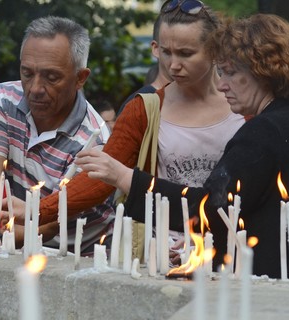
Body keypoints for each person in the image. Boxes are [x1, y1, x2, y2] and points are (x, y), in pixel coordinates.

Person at [78, 14, 289, 283]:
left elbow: (211, 208)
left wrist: (123, 177)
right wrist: (202, 250)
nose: (222, 84)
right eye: (221, 72)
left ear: (263, 73)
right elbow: (244, 215)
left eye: (231, 72)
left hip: (273, 289)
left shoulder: (265, 131)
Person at [35, 0, 245, 261]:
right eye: (166, 52)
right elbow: (100, 180)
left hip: (234, 251)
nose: (173, 64)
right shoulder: (144, 108)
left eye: (186, 53)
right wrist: (36, 211)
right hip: (164, 256)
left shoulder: (245, 105)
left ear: (214, 51)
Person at [0, 16, 113, 254]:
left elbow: (50, 225)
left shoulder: (94, 140)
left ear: (81, 78)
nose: (35, 88)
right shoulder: (4, 98)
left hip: (75, 257)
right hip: (11, 241)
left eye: (52, 77)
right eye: (27, 73)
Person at [119, 14, 172, 111]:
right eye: (169, 52)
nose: (178, 61)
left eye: (187, 52)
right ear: (156, 49)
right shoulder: (136, 107)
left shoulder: (200, 103)